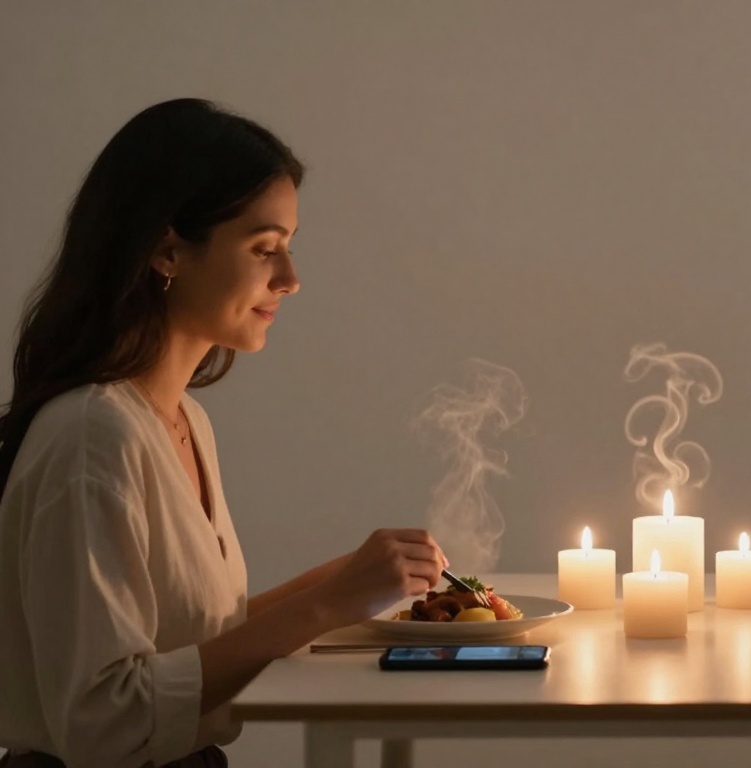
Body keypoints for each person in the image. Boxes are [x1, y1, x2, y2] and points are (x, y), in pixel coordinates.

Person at [0, 99, 448, 767]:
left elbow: (183, 642)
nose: (291, 280)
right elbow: (104, 722)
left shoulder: (183, 422)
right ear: (166, 248)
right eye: (265, 248)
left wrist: (333, 587)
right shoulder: (94, 437)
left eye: (289, 249)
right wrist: (326, 604)